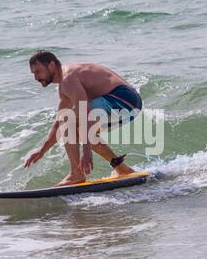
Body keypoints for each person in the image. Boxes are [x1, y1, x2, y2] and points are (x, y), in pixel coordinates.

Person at [24, 50, 142, 186]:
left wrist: (86, 151)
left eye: (38, 71)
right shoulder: (64, 87)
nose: (36, 78)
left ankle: (76, 174)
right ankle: (122, 169)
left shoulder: (68, 78)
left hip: (123, 99)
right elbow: (59, 123)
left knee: (71, 121)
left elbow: (84, 112)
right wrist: (42, 150)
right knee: (75, 127)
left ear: (51, 65)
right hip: (130, 106)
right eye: (33, 74)